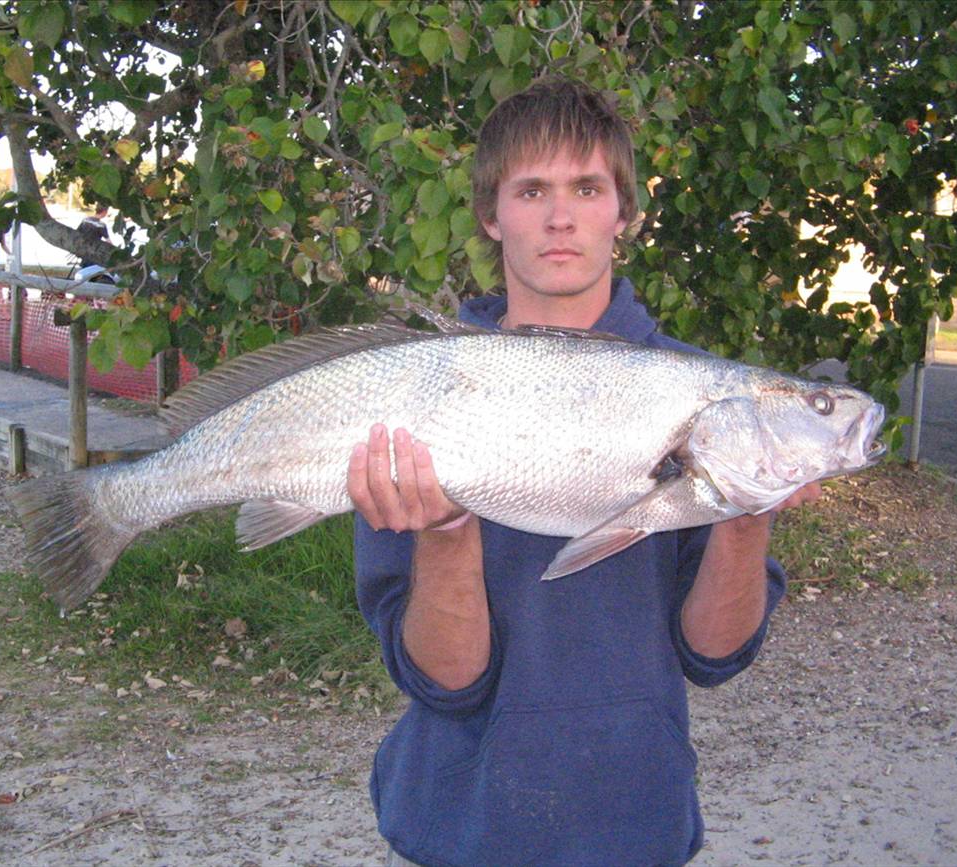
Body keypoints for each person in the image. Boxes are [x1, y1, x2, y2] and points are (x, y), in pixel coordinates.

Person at [349, 77, 820, 867]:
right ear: (492, 214)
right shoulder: (407, 398)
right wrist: (446, 534)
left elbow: (714, 655)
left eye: (587, 187)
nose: (560, 216)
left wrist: (746, 507)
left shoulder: (706, 398)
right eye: (532, 189)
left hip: (636, 825)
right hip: (455, 828)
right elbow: (445, 681)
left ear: (623, 213)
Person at [76, 204, 110, 269]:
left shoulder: (85, 220)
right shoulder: (101, 225)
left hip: (83, 248)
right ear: (104, 212)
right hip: (93, 250)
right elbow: (108, 241)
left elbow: (77, 232)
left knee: (85, 267)